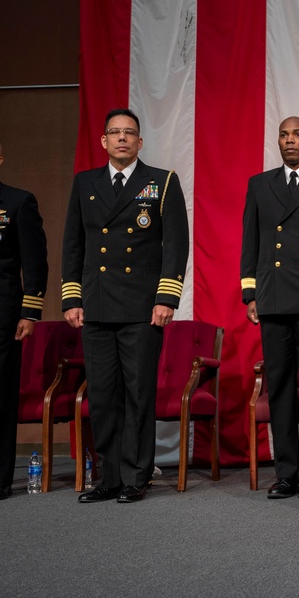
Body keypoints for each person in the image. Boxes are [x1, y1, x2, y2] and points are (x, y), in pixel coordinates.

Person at [62, 108, 189, 504]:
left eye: (129, 133)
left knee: (137, 393)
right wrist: (72, 297)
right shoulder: (86, 183)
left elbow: (176, 244)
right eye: (114, 133)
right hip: (97, 304)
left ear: (139, 141)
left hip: (141, 307)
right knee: (102, 395)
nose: (121, 139)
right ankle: (109, 477)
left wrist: (166, 298)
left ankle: (136, 476)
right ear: (103, 141)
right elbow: (73, 244)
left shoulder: (162, 182)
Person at [241, 116, 299, 499]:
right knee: (279, 389)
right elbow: (252, 241)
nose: (290, 140)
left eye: (297, 134)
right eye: (283, 134)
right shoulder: (260, 184)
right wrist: (251, 294)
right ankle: (286, 473)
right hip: (275, 298)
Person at [0, 142, 48, 501]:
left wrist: (30, 310)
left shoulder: (17, 201)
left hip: (3, 310)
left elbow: (34, 261)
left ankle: (0, 478)